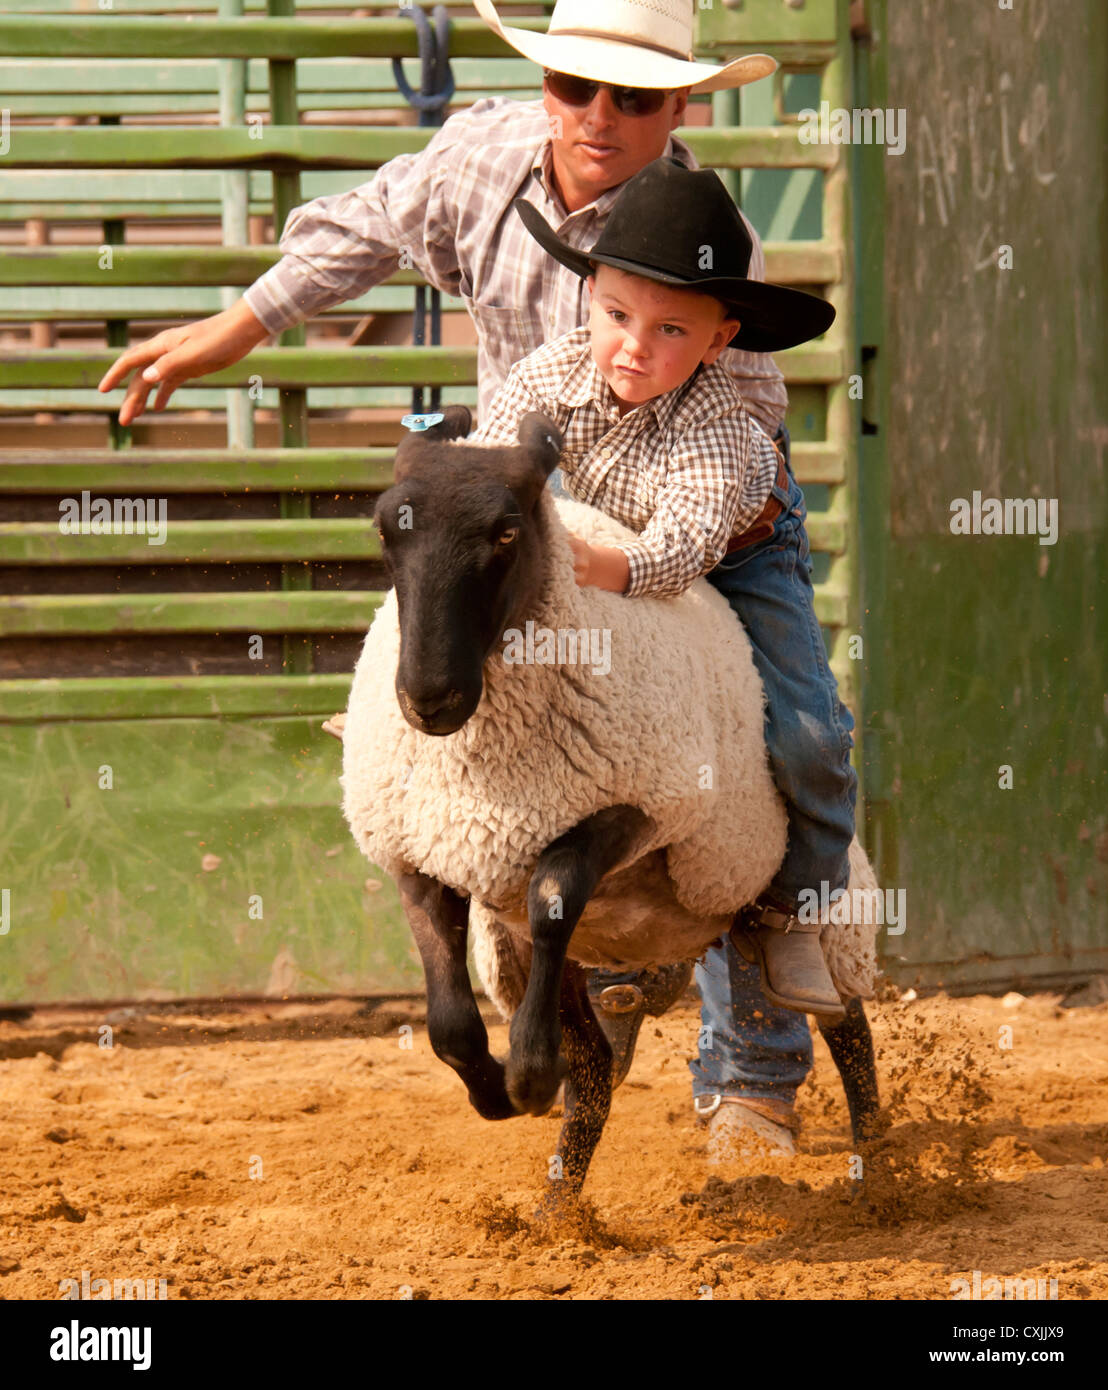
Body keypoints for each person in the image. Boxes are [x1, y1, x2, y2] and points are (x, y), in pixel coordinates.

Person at [96, 0, 855, 1159]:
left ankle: (762, 1032)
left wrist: (647, 569)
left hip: (705, 523)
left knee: (777, 743)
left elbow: (740, 452)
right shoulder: (480, 162)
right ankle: (561, 974)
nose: (598, 117)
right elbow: (361, 230)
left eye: (635, 97)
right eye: (575, 88)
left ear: (681, 107)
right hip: (534, 519)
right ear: (544, 82)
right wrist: (231, 329)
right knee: (454, 739)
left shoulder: (709, 240)